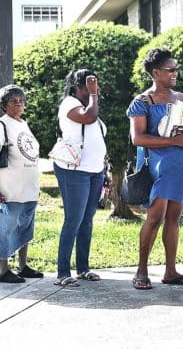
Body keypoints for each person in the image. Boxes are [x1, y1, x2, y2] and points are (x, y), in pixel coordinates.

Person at [127, 48, 183, 290]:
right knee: (154, 218)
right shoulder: (142, 102)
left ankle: (171, 272)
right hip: (158, 166)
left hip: (180, 164)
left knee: (174, 218)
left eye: (176, 69)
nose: (175, 73)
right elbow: (137, 138)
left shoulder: (181, 98)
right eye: (171, 70)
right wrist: (172, 141)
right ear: (155, 72)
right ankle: (141, 271)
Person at [53, 69, 107, 287]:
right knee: (73, 220)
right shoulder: (69, 103)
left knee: (87, 221)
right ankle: (62, 272)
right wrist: (93, 95)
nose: (94, 88)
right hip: (73, 171)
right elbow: (88, 117)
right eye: (89, 85)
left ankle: (83, 268)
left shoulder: (91, 106)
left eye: (95, 84)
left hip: (94, 171)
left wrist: (104, 171)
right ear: (78, 87)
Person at [0, 85, 43, 283]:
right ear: (3, 105)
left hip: (29, 190)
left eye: (21, 101)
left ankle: (23, 266)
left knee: (25, 230)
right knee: (6, 230)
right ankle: (2, 270)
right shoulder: (2, 125)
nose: (18, 104)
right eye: (13, 101)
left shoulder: (23, 124)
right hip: (10, 190)